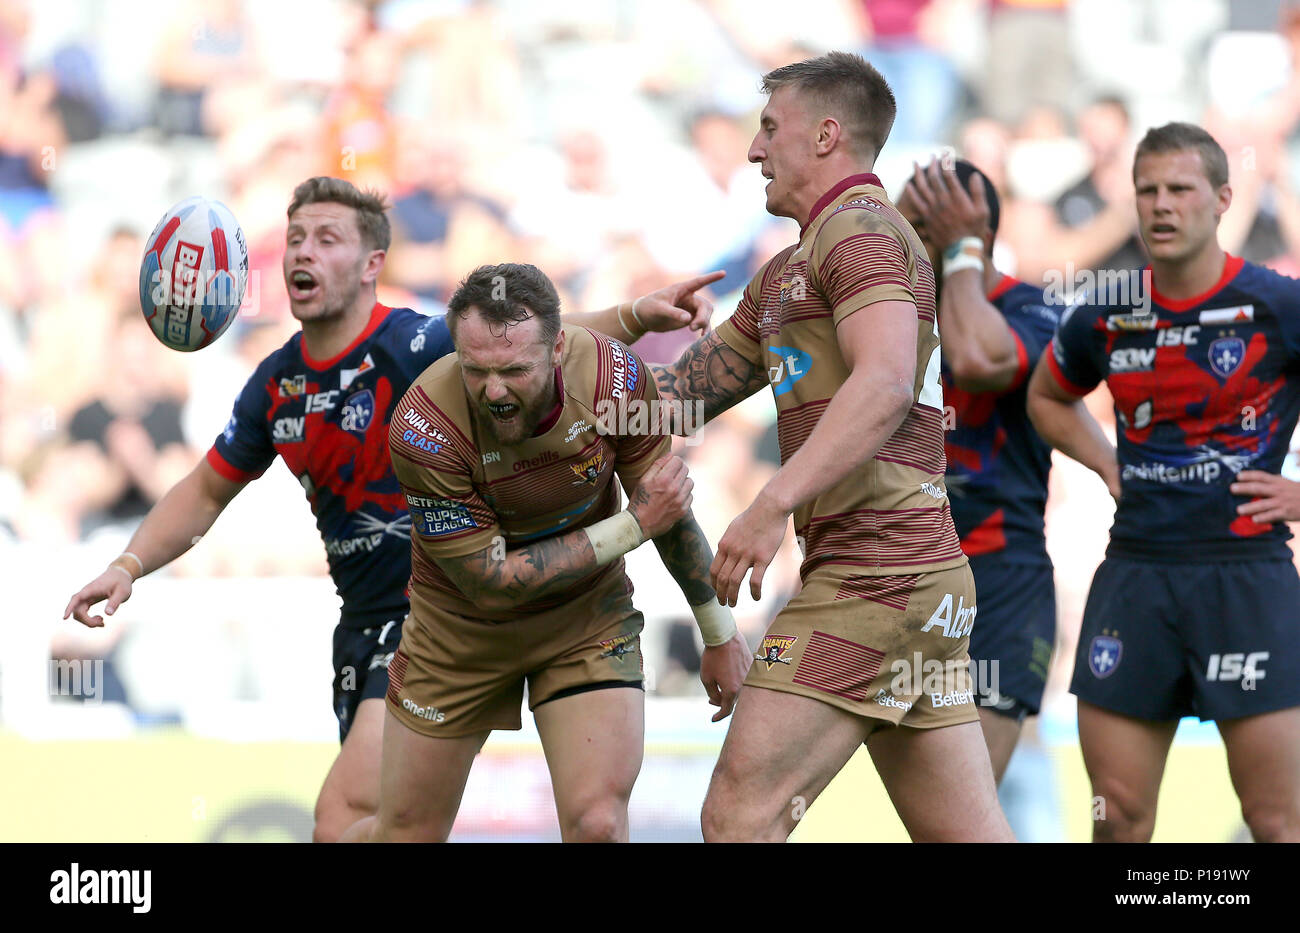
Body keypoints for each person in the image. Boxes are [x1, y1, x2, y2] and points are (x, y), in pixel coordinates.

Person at [62, 176, 723, 843]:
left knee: (346, 818)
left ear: (373, 263)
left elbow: (527, 339)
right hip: (362, 620)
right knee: (379, 830)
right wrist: (129, 562)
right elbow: (206, 490)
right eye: (294, 238)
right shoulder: (275, 383)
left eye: (327, 239)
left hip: (431, 610)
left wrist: (635, 314)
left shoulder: (413, 344)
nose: (302, 253)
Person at [651, 52, 1014, 842]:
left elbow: (883, 386)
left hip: (874, 577)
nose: (754, 150)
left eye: (769, 129)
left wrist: (770, 503)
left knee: (737, 818)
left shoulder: (861, 232)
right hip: (918, 581)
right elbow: (666, 405)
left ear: (825, 136)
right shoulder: (792, 267)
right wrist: (608, 325)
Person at [341, 263, 752, 843]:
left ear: (558, 347)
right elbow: (491, 580)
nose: (494, 391)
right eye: (476, 371)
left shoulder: (613, 380)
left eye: (514, 370)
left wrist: (717, 630)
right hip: (460, 631)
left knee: (598, 825)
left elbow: (668, 508)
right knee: (405, 834)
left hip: (584, 620)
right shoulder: (424, 424)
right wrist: (632, 526)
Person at [1027, 122, 1300, 842]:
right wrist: (1109, 464)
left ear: (1221, 200)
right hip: (1136, 575)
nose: (1161, 205)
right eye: (1146, 190)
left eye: (1180, 188)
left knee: (1276, 820)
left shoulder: (1278, 303)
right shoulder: (1108, 310)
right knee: (1115, 817)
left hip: (1249, 577)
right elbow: (1046, 396)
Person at [896, 157, 1062, 783]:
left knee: (965, 807)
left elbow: (973, 358)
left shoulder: (1036, 308)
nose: (901, 237)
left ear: (974, 232)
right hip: (894, 571)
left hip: (998, 579)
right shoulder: (884, 317)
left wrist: (962, 257)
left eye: (922, 223)